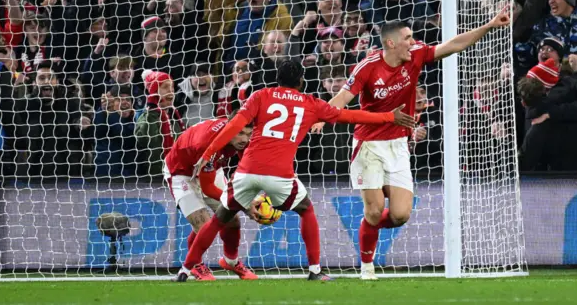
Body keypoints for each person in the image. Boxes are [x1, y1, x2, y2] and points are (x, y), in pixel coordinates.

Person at [179, 59, 415, 281]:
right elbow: (349, 115)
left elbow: (233, 126)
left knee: (219, 219)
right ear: (301, 82)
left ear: (277, 79)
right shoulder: (309, 103)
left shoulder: (260, 96)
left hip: (247, 171)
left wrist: (209, 153)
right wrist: (388, 117)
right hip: (279, 175)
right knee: (305, 209)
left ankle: (185, 269)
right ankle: (314, 270)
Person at [315, 11, 510, 280]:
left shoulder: (416, 54)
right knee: (373, 210)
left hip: (397, 145)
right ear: (391, 43)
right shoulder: (367, 67)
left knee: (399, 215)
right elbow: (343, 96)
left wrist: (489, 25)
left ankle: (367, 228)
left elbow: (453, 45)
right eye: (408, 38)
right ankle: (367, 266)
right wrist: (323, 118)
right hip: (368, 145)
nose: (413, 41)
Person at [167, 112, 257, 282]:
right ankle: (196, 265)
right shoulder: (206, 144)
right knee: (204, 225)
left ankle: (231, 261)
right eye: (240, 133)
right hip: (182, 172)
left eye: (248, 134)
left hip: (211, 168)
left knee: (232, 221)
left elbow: (246, 160)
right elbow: (208, 189)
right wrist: (243, 204)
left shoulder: (239, 138)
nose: (245, 139)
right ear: (230, 128)